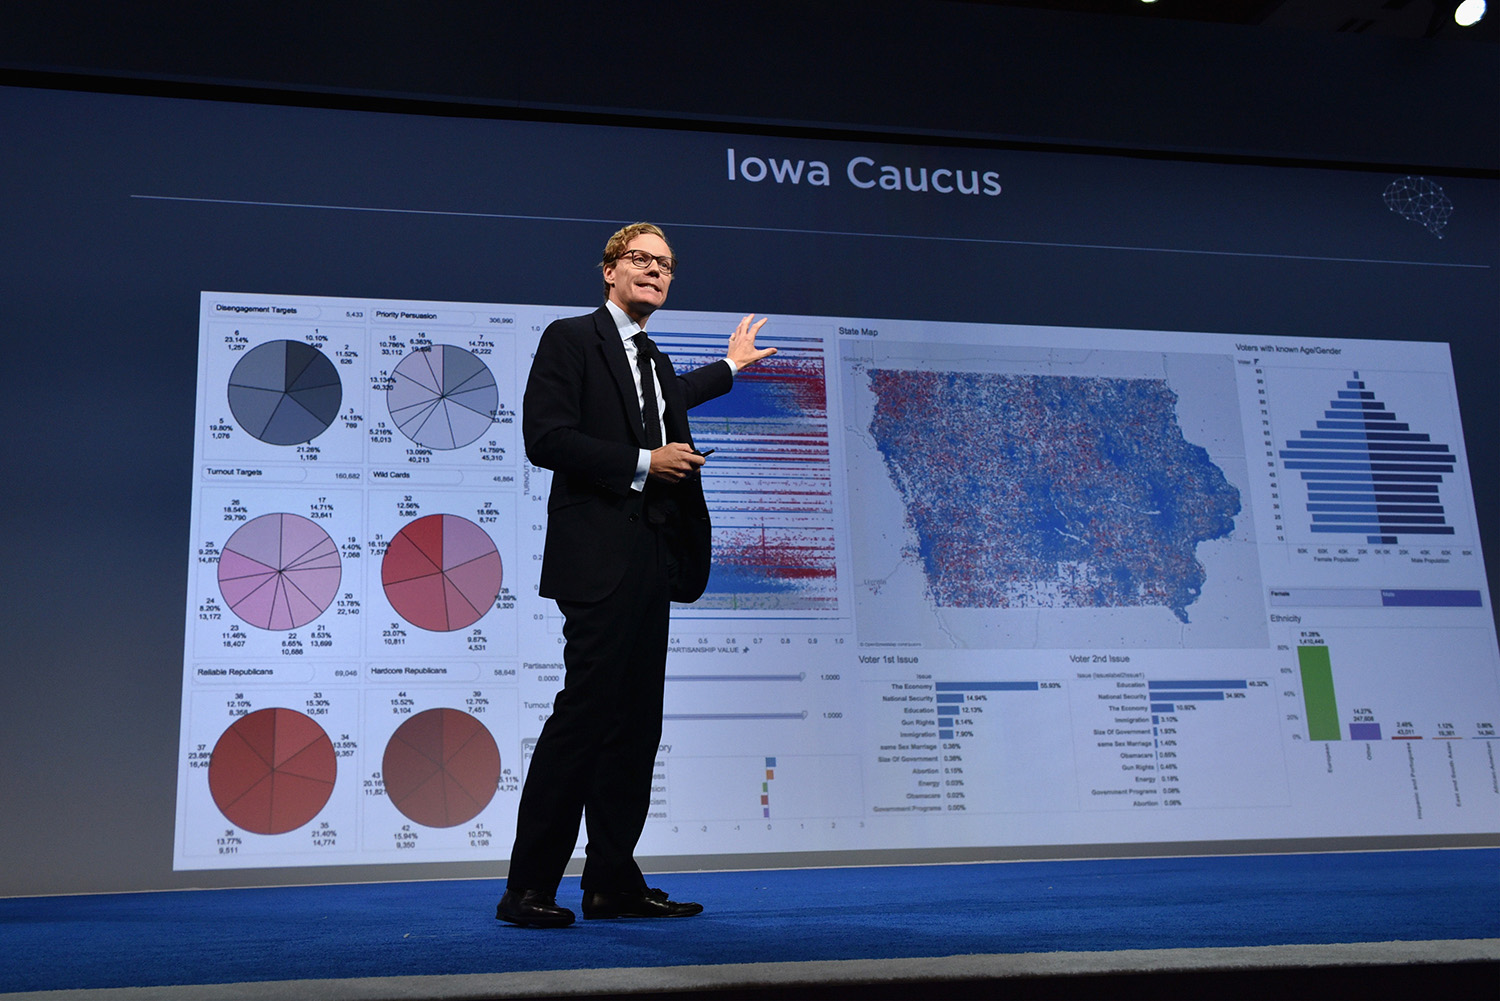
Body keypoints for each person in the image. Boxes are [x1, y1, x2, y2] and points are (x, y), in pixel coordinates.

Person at [497, 223, 774, 927]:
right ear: (609, 270)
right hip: (597, 560)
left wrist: (732, 367)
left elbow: (664, 401)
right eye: (642, 259)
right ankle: (528, 886)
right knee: (585, 719)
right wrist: (649, 463)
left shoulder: (651, 357)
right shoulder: (570, 338)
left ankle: (611, 883)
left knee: (636, 727)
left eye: (667, 265)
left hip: (654, 557)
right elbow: (546, 437)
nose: (656, 271)